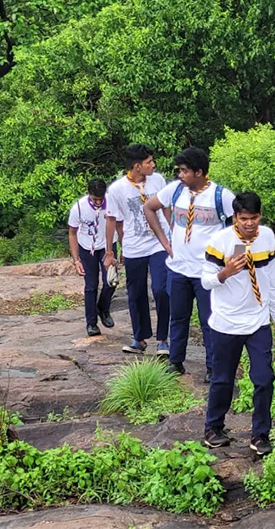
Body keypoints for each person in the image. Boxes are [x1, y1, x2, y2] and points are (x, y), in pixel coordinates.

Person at [201, 191, 275, 456]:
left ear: (260, 217)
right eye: (243, 218)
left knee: (264, 378)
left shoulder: (268, 237)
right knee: (223, 379)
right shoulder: (220, 241)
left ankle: (261, 434)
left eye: (253, 218)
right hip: (226, 322)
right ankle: (213, 428)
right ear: (235, 218)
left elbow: (271, 280)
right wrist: (225, 272)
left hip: (258, 319)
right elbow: (205, 281)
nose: (249, 224)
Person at [144, 146, 235, 381]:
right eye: (180, 171)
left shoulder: (221, 196)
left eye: (185, 171)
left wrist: (234, 262)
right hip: (178, 268)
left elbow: (240, 226)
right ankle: (175, 362)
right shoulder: (175, 191)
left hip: (207, 270)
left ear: (199, 172)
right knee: (178, 316)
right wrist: (164, 242)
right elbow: (149, 207)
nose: (180, 176)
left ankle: (213, 367)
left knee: (209, 320)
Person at [105, 143, 171, 355]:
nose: (153, 164)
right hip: (134, 245)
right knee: (136, 293)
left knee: (161, 289)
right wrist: (110, 251)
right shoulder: (117, 189)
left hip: (159, 243)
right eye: (149, 162)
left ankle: (163, 339)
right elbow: (113, 220)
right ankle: (140, 338)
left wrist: (173, 234)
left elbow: (167, 207)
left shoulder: (158, 180)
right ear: (137, 166)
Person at [68, 178, 116, 337]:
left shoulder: (111, 203)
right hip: (87, 246)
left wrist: (117, 250)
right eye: (95, 199)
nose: (98, 202)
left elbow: (119, 224)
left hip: (107, 244)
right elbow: (73, 233)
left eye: (101, 199)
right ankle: (91, 323)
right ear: (89, 194)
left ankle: (103, 308)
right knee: (91, 286)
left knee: (111, 281)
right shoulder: (79, 208)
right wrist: (76, 260)